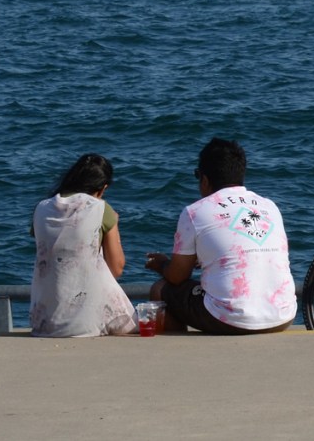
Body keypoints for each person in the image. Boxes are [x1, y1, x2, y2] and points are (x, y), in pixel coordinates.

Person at [145, 138, 297, 334]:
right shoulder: (270, 206)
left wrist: (162, 264)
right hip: (282, 315)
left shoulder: (195, 212)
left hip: (231, 320)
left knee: (161, 290)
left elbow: (177, 276)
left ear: (205, 179)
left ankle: (179, 352)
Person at [30, 153, 136, 337]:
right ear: (103, 188)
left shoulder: (41, 208)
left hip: (44, 322)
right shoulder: (101, 208)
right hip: (86, 323)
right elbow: (116, 268)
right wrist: (114, 223)